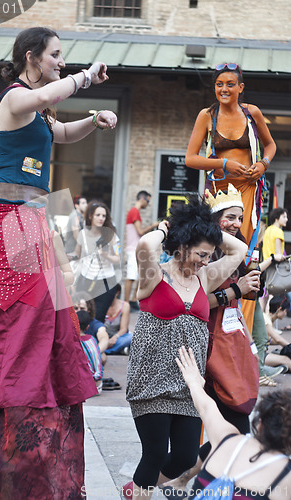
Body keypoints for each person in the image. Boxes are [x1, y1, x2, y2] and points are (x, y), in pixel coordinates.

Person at [0, 26, 117, 498]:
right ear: (32, 57)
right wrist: (86, 78)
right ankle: (15, 395)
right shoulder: (12, 99)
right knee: (25, 315)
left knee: (37, 316)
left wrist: (93, 120)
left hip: (31, 221)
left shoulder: (38, 109)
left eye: (63, 57)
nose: (60, 62)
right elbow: (49, 94)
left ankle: (26, 392)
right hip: (11, 219)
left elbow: (61, 132)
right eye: (55, 55)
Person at [124, 196, 247, 500]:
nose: (207, 261)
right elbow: (145, 247)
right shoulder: (155, 277)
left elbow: (240, 250)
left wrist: (211, 232)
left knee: (184, 457)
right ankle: (142, 490)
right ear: (183, 245)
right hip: (151, 380)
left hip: (189, 384)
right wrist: (170, 229)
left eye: (210, 255)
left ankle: (139, 488)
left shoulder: (204, 277)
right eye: (202, 254)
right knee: (153, 454)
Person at [185, 62, 276, 332]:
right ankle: (211, 314)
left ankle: (244, 326)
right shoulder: (207, 115)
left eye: (230, 84)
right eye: (219, 84)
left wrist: (263, 165)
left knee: (246, 253)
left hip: (248, 190)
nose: (224, 89)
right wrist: (223, 165)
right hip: (219, 194)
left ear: (241, 88)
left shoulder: (252, 114)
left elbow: (270, 145)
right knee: (216, 249)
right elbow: (190, 158)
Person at [175, 346, 291, 500]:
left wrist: (194, 382)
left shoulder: (227, 440)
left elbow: (206, 407)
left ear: (259, 422)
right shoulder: (285, 476)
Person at [75, 199, 121, 322]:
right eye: (98, 215)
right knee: (82, 316)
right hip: (86, 280)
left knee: (98, 318)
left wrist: (106, 255)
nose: (101, 218)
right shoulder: (83, 234)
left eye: (104, 216)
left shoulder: (111, 235)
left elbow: (118, 259)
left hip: (106, 282)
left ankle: (96, 340)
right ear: (90, 216)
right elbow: (77, 255)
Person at [125, 190, 159, 311]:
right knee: (131, 277)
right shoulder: (134, 211)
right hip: (133, 248)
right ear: (143, 199)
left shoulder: (135, 212)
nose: (148, 204)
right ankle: (126, 303)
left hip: (135, 248)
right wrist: (153, 225)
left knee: (138, 276)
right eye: (148, 200)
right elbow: (140, 231)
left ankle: (133, 300)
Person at [77, 309, 103, 395]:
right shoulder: (93, 339)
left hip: (86, 387)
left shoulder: (74, 342)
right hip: (98, 385)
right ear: (87, 327)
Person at [263, 295, 291, 372]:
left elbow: (270, 340)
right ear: (280, 309)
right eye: (285, 311)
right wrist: (289, 345)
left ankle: (278, 366)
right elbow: (278, 339)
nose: (285, 313)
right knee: (286, 360)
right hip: (258, 356)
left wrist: (287, 344)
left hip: (261, 353)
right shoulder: (266, 320)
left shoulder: (268, 319)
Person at [104, 283, 132, 355]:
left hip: (118, 337)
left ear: (117, 293)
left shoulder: (125, 305)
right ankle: (118, 350)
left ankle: (104, 350)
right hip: (103, 336)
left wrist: (114, 338)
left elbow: (124, 329)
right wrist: (105, 340)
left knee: (131, 337)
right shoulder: (100, 304)